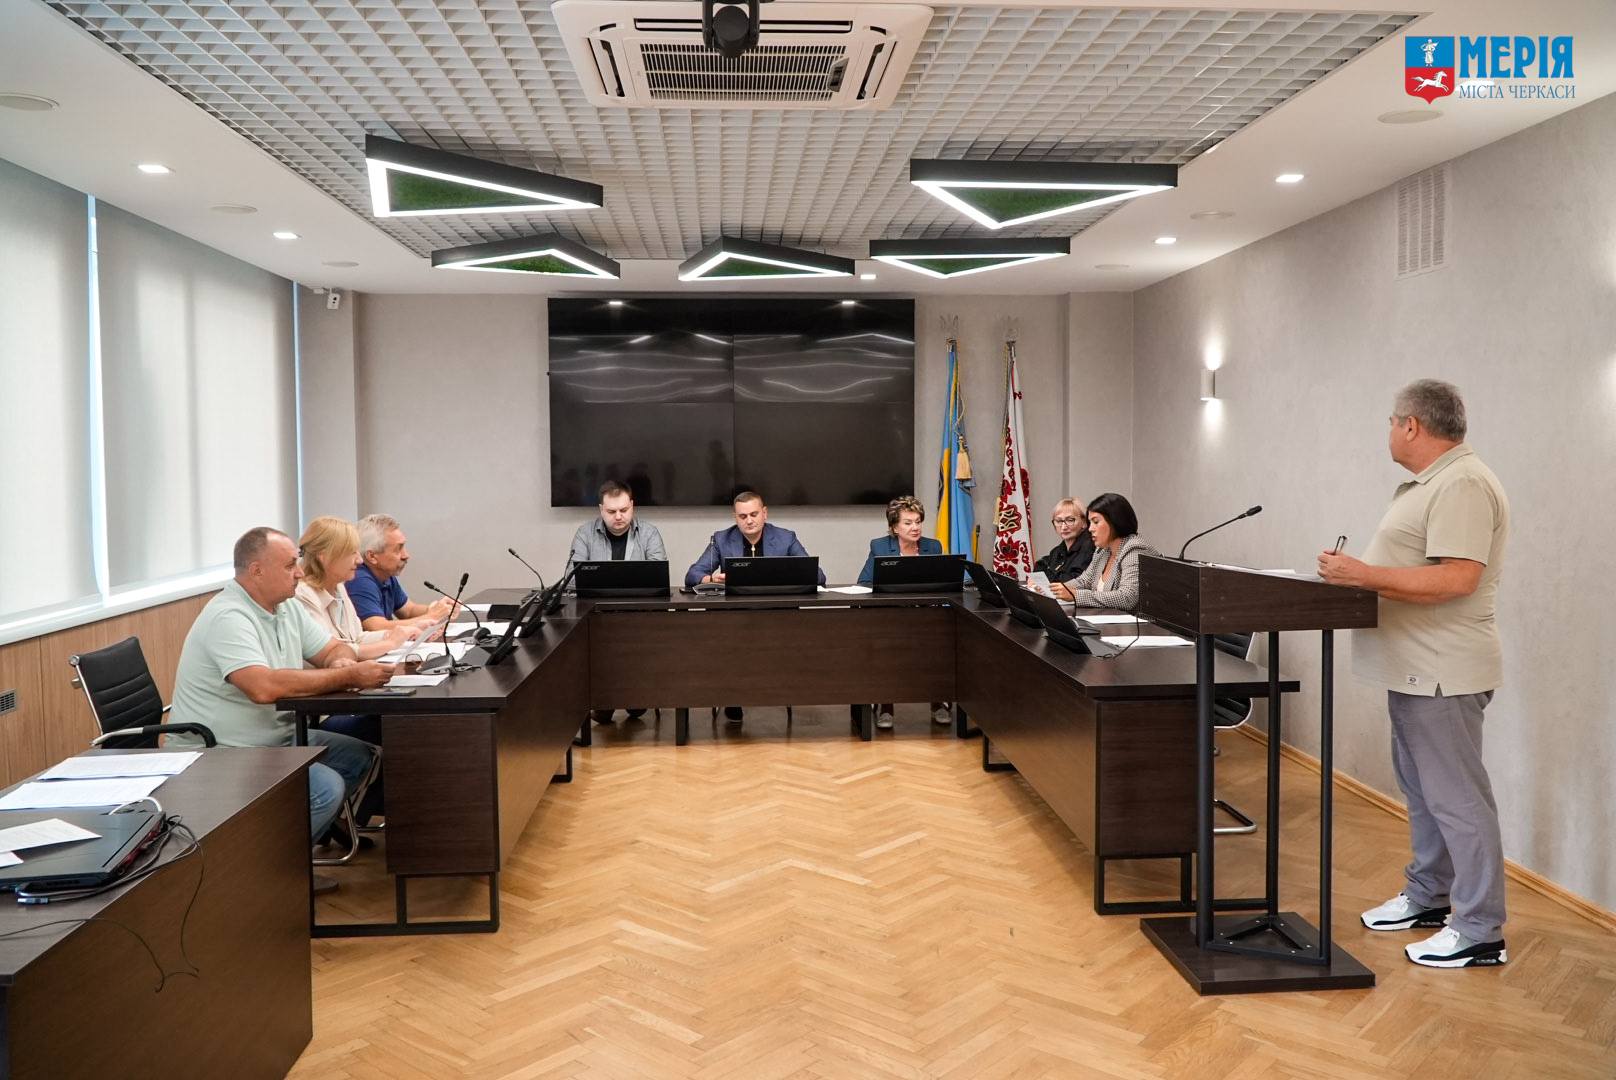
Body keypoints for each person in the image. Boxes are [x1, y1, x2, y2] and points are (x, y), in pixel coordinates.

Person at [1318, 379, 1509, 970]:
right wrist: (1358, 576)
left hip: (1442, 672)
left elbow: (1458, 577)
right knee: (1425, 795)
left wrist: (1363, 575)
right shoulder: (1434, 482)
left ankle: (1479, 929)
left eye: (1391, 421)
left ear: (1411, 425)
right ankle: (1430, 896)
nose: (1389, 431)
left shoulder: (1463, 483)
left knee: (1459, 802)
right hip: (1412, 669)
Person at [166, 527, 389, 873]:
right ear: (256, 571)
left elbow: (333, 648)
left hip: (274, 739)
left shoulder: (286, 608)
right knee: (324, 789)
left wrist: (340, 662)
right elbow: (263, 688)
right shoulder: (229, 616)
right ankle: (264, 878)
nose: (299, 573)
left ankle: (280, 856)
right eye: (289, 566)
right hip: (221, 750)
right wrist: (348, 676)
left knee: (355, 756)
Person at [293, 516, 413, 824]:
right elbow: (331, 652)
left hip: (345, 695)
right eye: (352, 553)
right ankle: (351, 819)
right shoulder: (301, 598)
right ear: (325, 557)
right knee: (396, 728)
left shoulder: (338, 588)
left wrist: (399, 636)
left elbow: (353, 641)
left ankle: (352, 819)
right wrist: (389, 641)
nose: (359, 561)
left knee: (404, 725)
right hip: (322, 708)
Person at [684, 490, 826, 725]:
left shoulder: (785, 538)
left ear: (764, 513)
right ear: (735, 517)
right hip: (734, 621)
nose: (749, 521)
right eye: (742, 516)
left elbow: (818, 576)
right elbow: (692, 575)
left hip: (776, 619)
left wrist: (784, 574)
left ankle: (773, 688)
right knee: (727, 640)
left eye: (753, 514)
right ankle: (733, 697)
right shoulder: (721, 539)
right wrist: (712, 579)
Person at [569, 480, 666, 725]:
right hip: (598, 619)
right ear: (601, 510)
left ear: (632, 506)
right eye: (612, 511)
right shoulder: (585, 534)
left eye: (624, 510)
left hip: (638, 618)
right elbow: (571, 579)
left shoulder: (649, 533)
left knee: (636, 639)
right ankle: (607, 700)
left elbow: (658, 576)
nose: (619, 516)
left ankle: (631, 697)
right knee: (592, 643)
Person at [856, 496, 950, 730]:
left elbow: (942, 583)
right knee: (887, 650)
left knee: (939, 645)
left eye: (918, 522)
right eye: (908, 523)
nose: (915, 527)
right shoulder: (880, 546)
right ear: (894, 527)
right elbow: (864, 582)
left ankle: (937, 702)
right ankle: (886, 706)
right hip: (891, 618)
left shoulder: (933, 546)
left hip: (925, 619)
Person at [349, 513, 457, 631]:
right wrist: (431, 617)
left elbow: (408, 610)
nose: (406, 555)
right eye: (398, 549)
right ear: (372, 556)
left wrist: (437, 609)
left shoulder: (385, 574)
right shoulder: (358, 579)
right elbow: (376, 627)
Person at [1064, 493, 1158, 610]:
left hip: (1133, 621)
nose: (1090, 529)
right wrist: (1053, 590)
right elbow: (1084, 581)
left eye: (1096, 522)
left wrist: (1076, 596)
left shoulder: (1134, 550)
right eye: (1090, 523)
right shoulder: (1103, 550)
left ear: (1115, 521)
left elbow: (1127, 597)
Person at [1036, 497, 1096, 601]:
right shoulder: (1058, 550)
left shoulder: (1090, 546)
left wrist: (1044, 583)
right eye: (1059, 521)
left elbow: (1072, 581)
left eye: (1070, 520)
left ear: (1084, 522)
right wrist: (1036, 582)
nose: (1063, 527)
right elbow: (1040, 566)